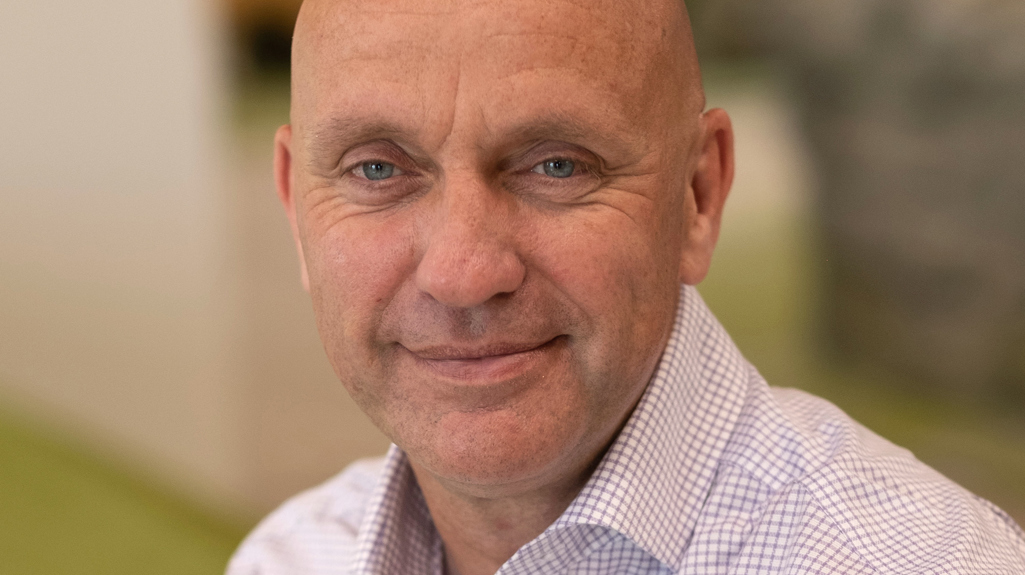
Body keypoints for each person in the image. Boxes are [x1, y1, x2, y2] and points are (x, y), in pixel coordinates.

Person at [227, 0, 1025, 573]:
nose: (463, 274)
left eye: (556, 165)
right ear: (298, 207)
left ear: (698, 196)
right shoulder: (291, 554)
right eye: (376, 169)